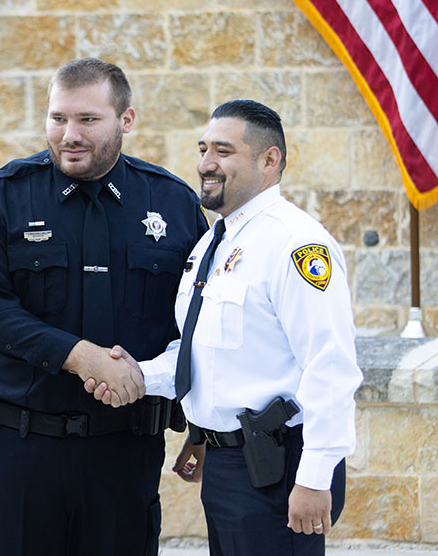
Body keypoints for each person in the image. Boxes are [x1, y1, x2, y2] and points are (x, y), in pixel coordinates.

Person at [0, 57, 209, 556]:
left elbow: (199, 324)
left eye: (87, 120)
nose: (69, 134)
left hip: (124, 451)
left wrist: (201, 426)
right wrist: (80, 356)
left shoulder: (174, 205)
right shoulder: (0, 198)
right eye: (58, 118)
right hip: (18, 449)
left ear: (126, 121)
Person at [88, 99, 363, 556]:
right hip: (226, 464)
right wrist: (136, 375)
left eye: (223, 151)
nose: (205, 164)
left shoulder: (295, 243)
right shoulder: (214, 243)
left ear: (269, 160)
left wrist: (314, 478)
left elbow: (330, 366)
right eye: (202, 149)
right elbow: (201, 349)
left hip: (277, 466)